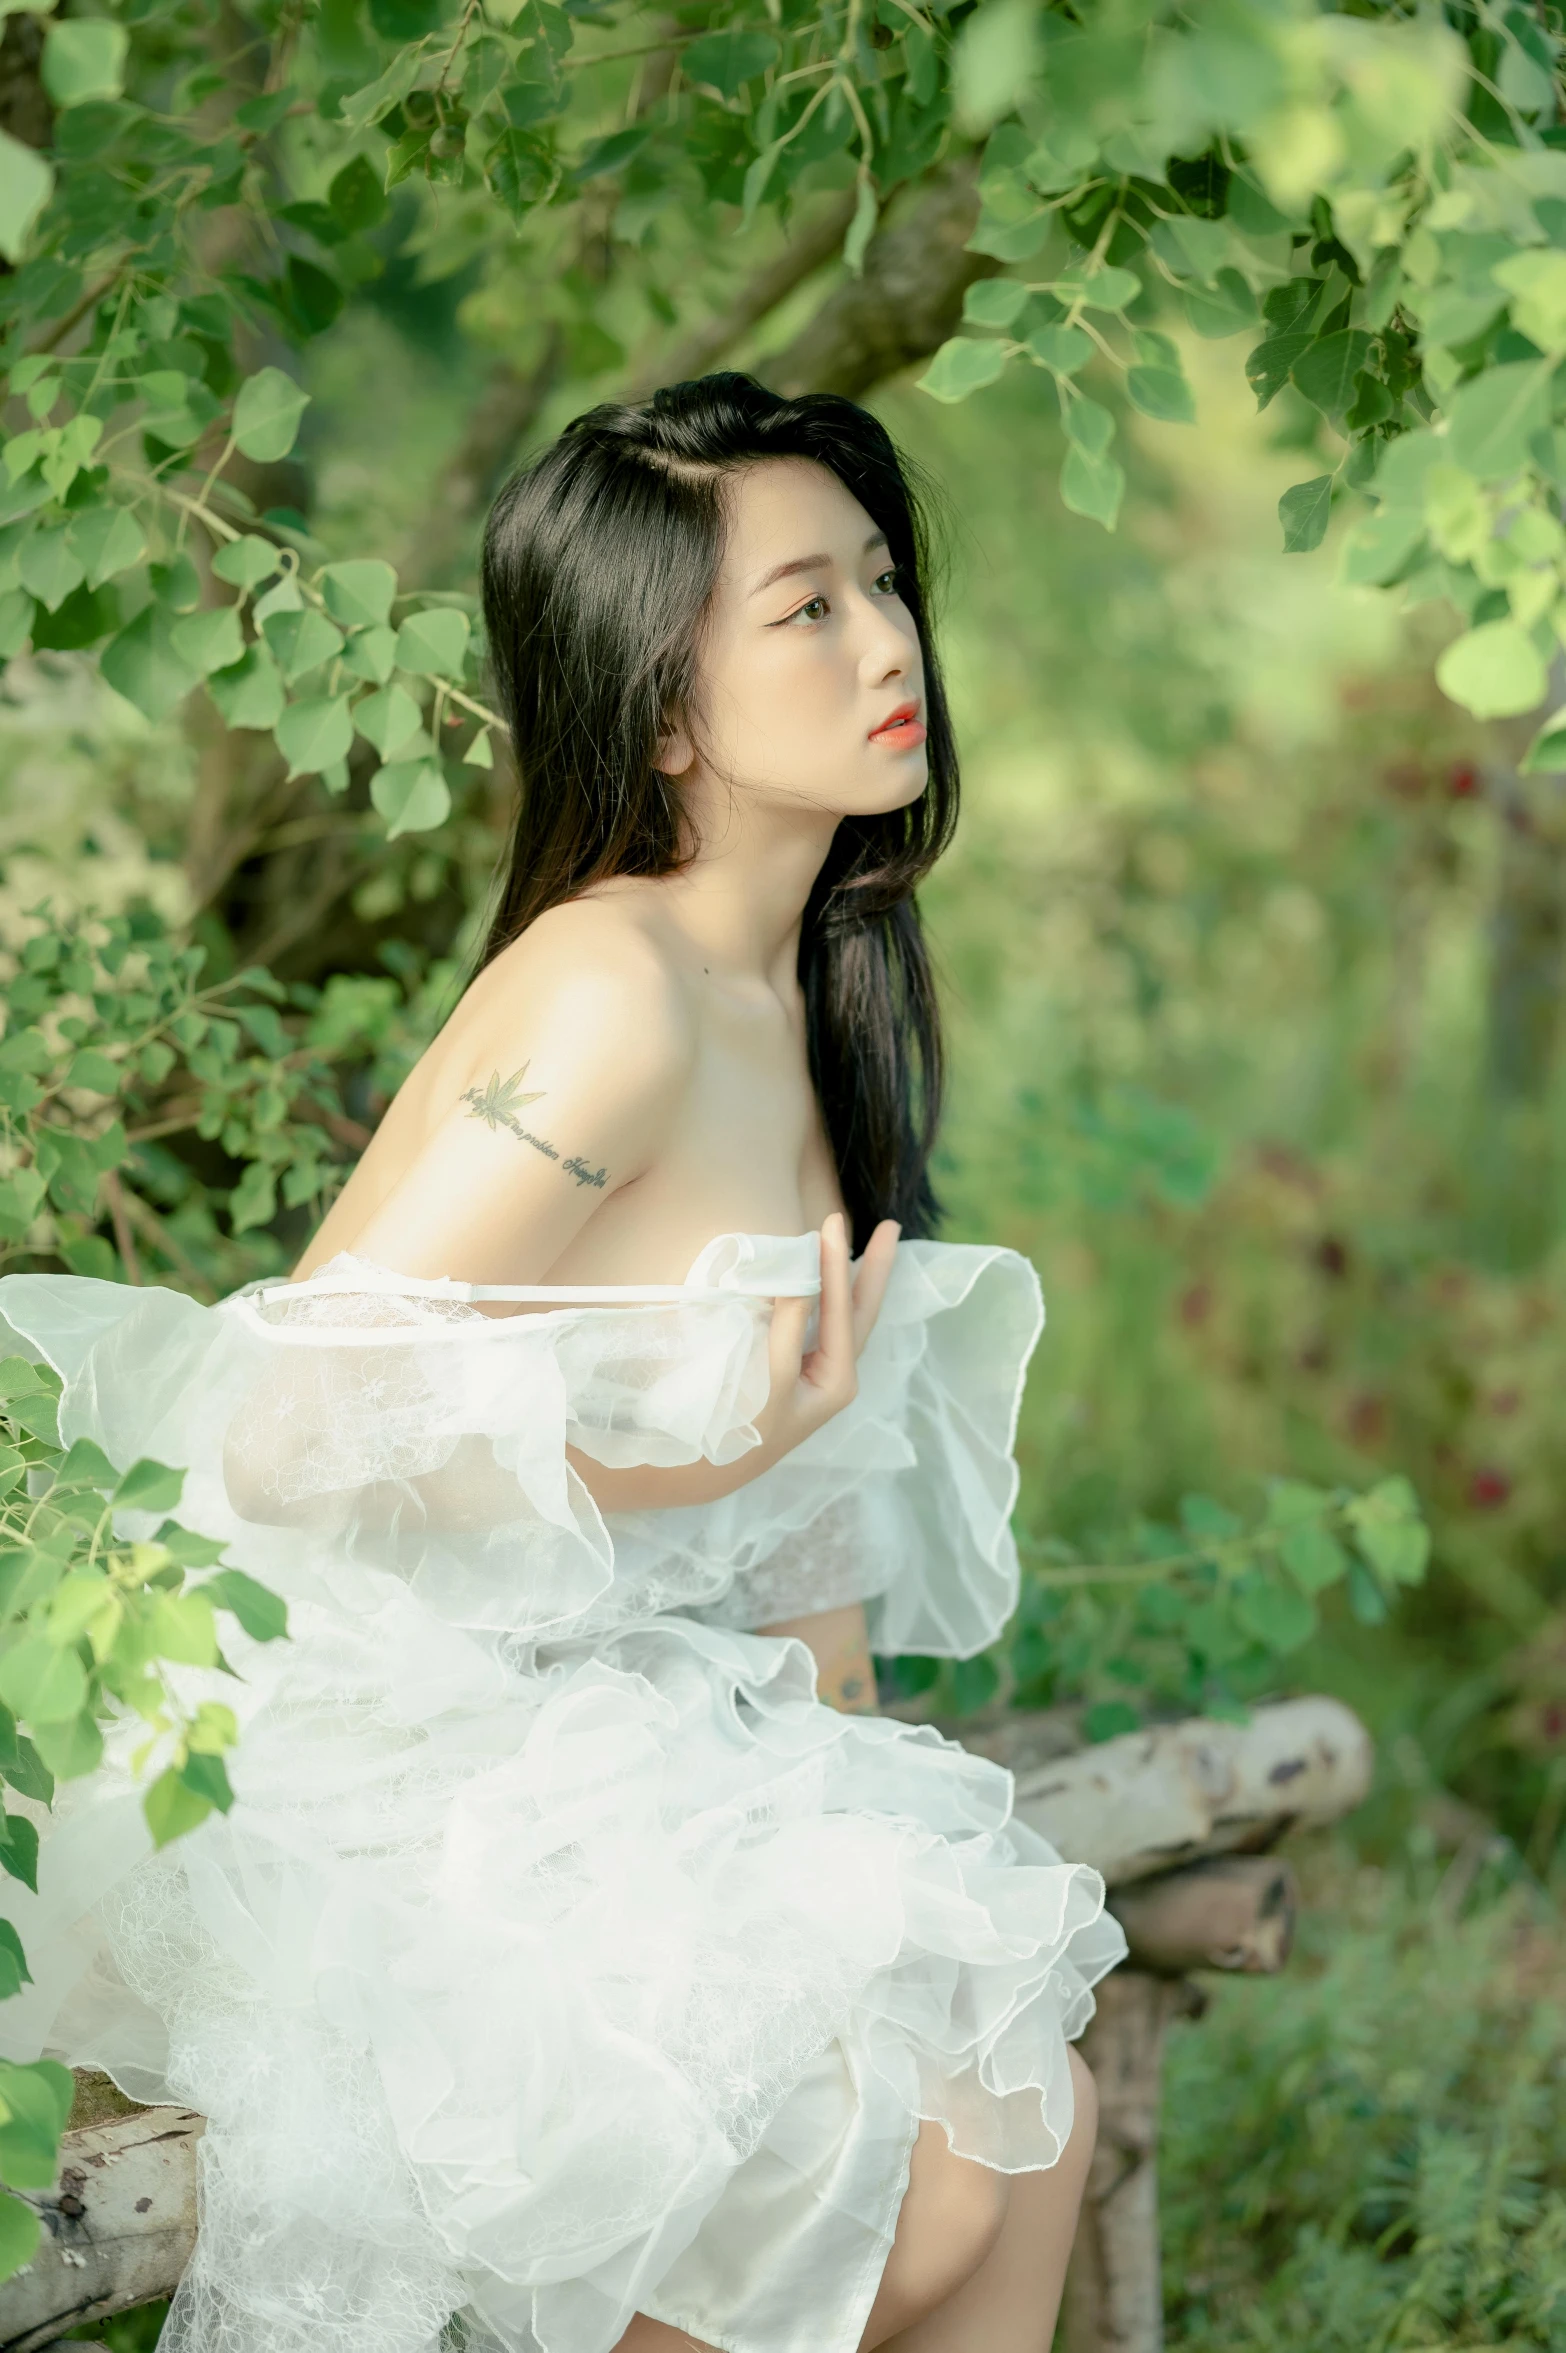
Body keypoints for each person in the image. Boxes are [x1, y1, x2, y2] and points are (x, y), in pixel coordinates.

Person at [0, 373, 1125, 2353]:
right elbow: (289, 1433)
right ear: (663, 705)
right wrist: (676, 1472)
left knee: (1025, 2111)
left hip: (616, 1731)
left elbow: (809, 1512)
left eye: (882, 580)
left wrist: (872, 1802)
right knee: (928, 2161)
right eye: (807, 608)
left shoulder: (805, 995)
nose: (887, 644)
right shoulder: (609, 995)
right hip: (373, 1744)